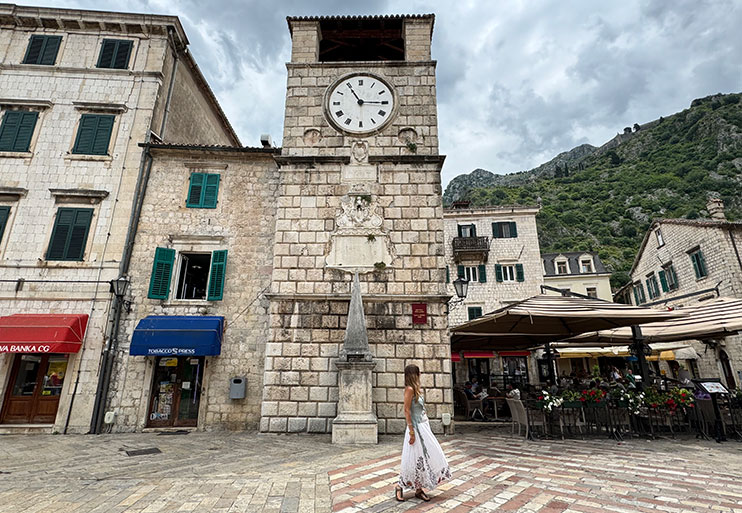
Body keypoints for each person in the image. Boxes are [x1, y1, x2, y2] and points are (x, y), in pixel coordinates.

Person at [396, 364, 451, 502]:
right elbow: (406, 410)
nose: (420, 374)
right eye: (418, 373)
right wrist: (412, 432)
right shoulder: (409, 389)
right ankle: (399, 486)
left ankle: (419, 489)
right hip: (415, 428)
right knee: (413, 458)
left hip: (423, 427)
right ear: (414, 374)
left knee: (426, 456)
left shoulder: (416, 389)